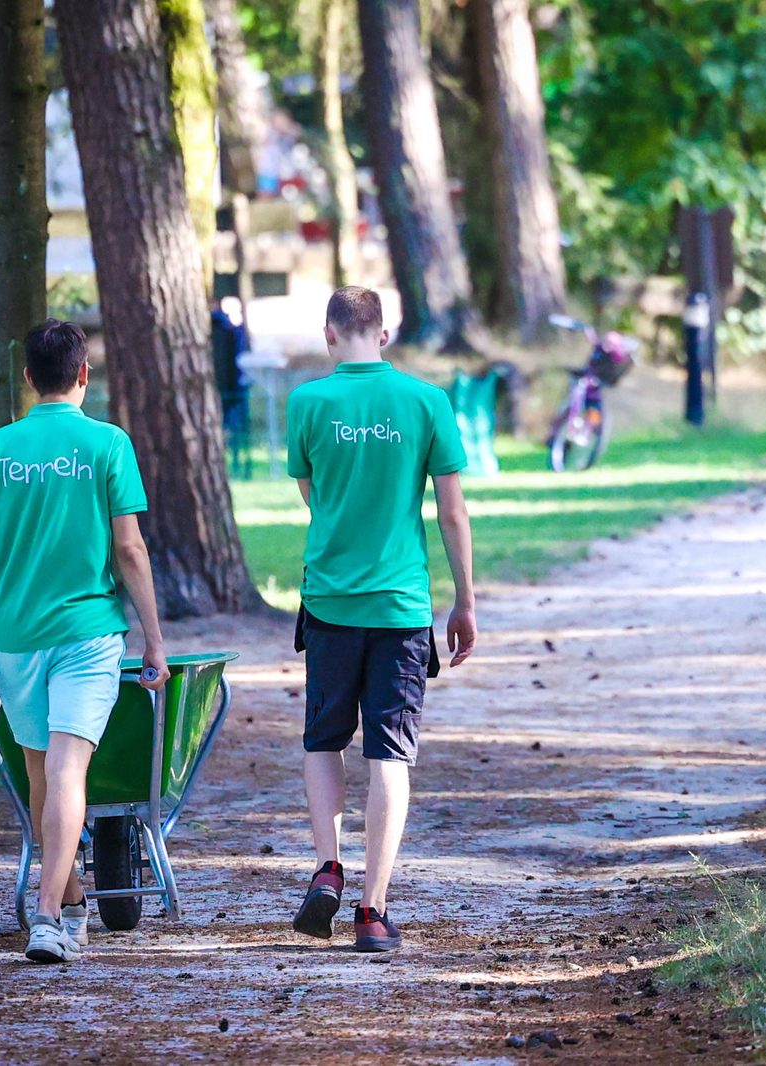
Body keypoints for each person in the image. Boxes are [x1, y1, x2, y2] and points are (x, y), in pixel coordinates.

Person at [0, 319, 169, 964]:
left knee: (43, 771)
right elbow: (128, 546)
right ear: (83, 374)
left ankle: (69, 908)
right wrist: (153, 639)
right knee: (69, 770)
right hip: (87, 633)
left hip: (13, 637)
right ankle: (48, 914)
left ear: (25, 380)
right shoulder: (107, 445)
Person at [287, 286, 477, 953]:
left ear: (331, 333)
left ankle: (327, 867)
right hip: (400, 607)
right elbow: (452, 512)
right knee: (390, 754)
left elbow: (314, 495)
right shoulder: (426, 401)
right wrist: (465, 600)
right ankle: (373, 910)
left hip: (330, 600)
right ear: (385, 334)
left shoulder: (307, 402)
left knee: (323, 741)